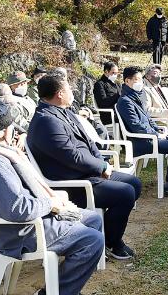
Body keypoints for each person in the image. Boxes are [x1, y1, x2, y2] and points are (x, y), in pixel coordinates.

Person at [0, 98, 103, 295]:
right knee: (92, 239)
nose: (15, 131)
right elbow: (17, 209)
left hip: (29, 221)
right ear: (1, 133)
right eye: (11, 127)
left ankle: (67, 288)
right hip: (20, 232)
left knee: (93, 220)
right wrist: (51, 204)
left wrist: (18, 156)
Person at [27, 74, 139, 260]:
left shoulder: (64, 111)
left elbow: (89, 143)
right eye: (69, 89)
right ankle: (111, 242)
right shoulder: (46, 120)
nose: (73, 92)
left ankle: (107, 232)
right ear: (60, 94)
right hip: (72, 182)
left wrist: (101, 164)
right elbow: (71, 156)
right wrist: (100, 166)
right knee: (125, 193)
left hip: (87, 172)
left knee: (134, 183)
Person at [117, 66, 168, 197]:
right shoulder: (125, 101)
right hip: (141, 141)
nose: (140, 83)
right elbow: (136, 126)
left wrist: (157, 129)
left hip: (149, 136)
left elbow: (148, 119)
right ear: (127, 81)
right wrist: (156, 134)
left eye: (140, 80)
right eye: (136, 80)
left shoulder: (134, 97)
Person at [92, 61, 120, 126]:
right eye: (113, 73)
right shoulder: (99, 84)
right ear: (106, 71)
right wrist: (117, 96)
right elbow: (102, 102)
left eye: (116, 73)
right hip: (109, 114)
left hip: (118, 111)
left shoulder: (117, 84)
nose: (115, 75)